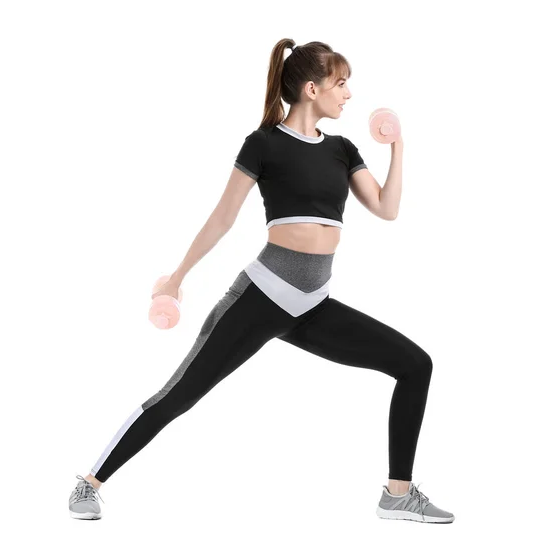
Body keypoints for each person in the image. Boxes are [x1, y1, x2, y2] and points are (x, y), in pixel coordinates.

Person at [68, 38, 455, 524]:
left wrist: (398, 144)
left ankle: (397, 495)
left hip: (313, 304)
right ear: (312, 89)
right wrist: (176, 278)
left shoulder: (342, 149)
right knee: (179, 396)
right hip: (261, 297)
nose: (349, 94)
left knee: (415, 364)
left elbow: (386, 208)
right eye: (341, 83)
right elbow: (222, 218)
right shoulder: (264, 144)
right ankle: (89, 483)